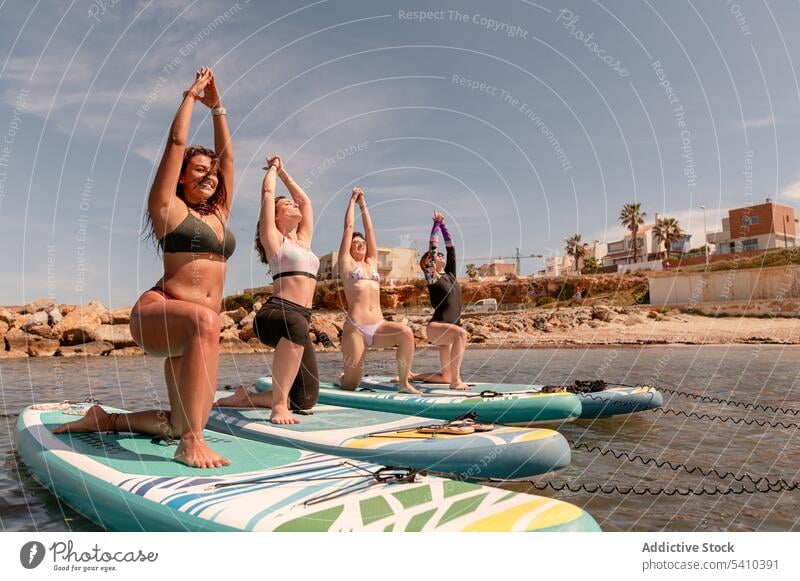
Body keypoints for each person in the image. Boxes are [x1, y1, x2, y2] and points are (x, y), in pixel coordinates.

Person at [55, 67, 235, 468]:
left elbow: (228, 158)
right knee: (208, 325)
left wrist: (218, 107)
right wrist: (191, 97)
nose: (208, 174)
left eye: (212, 170)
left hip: (195, 327)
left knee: (177, 420)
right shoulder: (168, 209)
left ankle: (105, 419)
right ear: (183, 179)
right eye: (198, 169)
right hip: (160, 312)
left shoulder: (220, 214)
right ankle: (191, 444)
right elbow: (176, 142)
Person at [215, 155, 320, 423]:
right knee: (297, 325)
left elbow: (306, 202)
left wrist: (286, 174)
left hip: (299, 320)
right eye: (287, 204)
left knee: (305, 400)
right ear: (275, 215)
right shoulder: (274, 240)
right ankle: (278, 406)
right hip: (275, 314)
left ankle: (245, 398)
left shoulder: (304, 241)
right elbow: (267, 192)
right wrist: (273, 168)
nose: (295, 204)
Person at [337, 188, 419, 394]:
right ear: (349, 249)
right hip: (356, 328)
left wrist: (363, 204)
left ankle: (403, 384)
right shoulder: (347, 264)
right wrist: (351, 201)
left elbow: (370, 231)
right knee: (351, 385)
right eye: (355, 243)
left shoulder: (372, 263)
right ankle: (343, 378)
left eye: (362, 242)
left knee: (406, 333)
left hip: (379, 325)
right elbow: (348, 227)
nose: (360, 245)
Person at [408, 211, 469, 389]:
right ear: (427, 263)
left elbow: (451, 248)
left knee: (445, 377)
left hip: (449, 332)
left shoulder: (450, 274)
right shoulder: (431, 276)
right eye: (435, 256)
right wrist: (435, 225)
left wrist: (443, 225)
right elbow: (433, 249)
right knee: (462, 334)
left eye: (440, 255)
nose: (439, 255)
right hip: (437, 328)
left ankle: (412, 376)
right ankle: (457, 382)